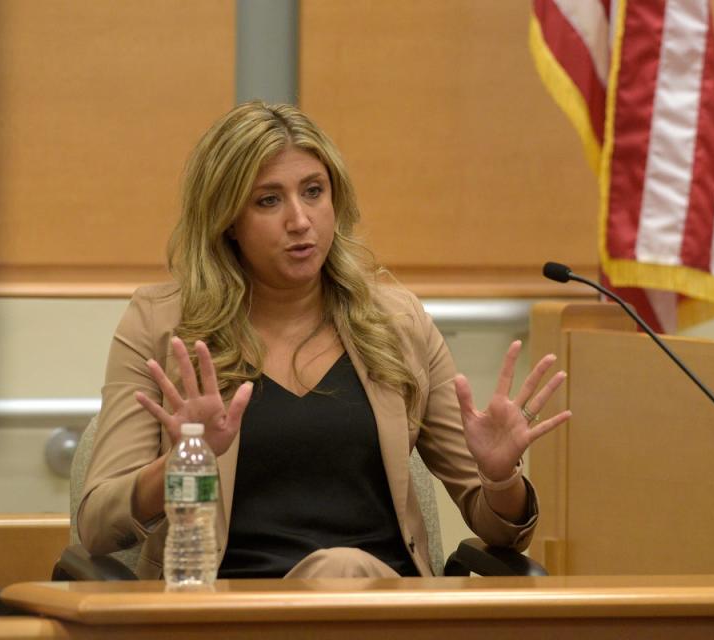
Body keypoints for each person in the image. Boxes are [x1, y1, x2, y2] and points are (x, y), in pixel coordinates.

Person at [77, 101, 571, 579]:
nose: (300, 220)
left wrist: (502, 479)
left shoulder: (397, 323)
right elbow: (97, 525)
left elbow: (499, 528)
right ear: (227, 221)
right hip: (230, 616)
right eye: (269, 200)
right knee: (338, 570)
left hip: (385, 610)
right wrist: (182, 462)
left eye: (314, 191)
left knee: (344, 569)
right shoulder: (163, 326)